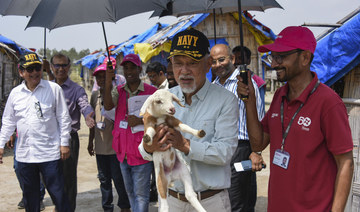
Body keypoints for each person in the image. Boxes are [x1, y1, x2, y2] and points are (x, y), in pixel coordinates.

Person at [238, 26, 354, 211]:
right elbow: (258, 144)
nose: (274, 64)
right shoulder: (278, 96)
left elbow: (345, 162)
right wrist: (249, 101)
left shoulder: (328, 103)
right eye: (272, 57)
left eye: (281, 57)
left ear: (305, 58)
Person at [139, 28, 239, 212]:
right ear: (171, 65)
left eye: (192, 63)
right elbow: (144, 150)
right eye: (178, 63)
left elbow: (225, 152)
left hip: (210, 202)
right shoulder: (163, 97)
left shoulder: (226, 100)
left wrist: (184, 144)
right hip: (171, 201)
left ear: (208, 64)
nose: (184, 71)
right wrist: (149, 147)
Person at [0, 52, 72, 212]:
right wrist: (1, 145)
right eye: (29, 69)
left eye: (37, 68)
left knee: (59, 196)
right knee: (30, 199)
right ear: (21, 72)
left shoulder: (53, 89)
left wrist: (64, 143)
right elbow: (8, 121)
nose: (34, 73)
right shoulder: (15, 94)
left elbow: (63, 118)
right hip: (25, 156)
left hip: (50, 154)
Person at [210, 44, 265, 212]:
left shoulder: (245, 83)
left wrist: (256, 152)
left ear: (232, 59)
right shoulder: (214, 87)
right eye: (213, 62)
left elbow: (260, 117)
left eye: (222, 60)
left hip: (241, 149)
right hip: (220, 150)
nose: (218, 65)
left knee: (239, 202)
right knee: (224, 199)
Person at [103, 53, 157, 212]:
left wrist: (141, 121)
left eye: (132, 67)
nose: (129, 71)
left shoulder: (151, 91)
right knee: (130, 193)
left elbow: (161, 118)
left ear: (140, 68)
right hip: (122, 151)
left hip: (141, 151)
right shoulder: (118, 91)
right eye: (125, 68)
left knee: (141, 195)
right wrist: (108, 80)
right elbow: (107, 106)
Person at [50, 53, 95, 211]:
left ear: (69, 67)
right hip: (48, 140)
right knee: (49, 177)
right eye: (57, 65)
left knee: (68, 179)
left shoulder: (76, 89)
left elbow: (84, 104)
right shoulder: (46, 88)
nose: (60, 69)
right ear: (51, 67)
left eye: (64, 65)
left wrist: (88, 115)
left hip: (69, 139)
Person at [88, 62, 131, 212]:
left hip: (115, 147)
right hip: (100, 146)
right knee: (104, 180)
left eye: (103, 77)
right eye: (98, 78)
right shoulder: (94, 95)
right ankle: (107, 207)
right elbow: (92, 120)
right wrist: (90, 141)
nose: (100, 80)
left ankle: (125, 206)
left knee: (118, 179)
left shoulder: (117, 93)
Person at [7, 133, 46, 211]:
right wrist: (9, 133)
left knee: (38, 167)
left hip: (39, 135)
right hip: (21, 136)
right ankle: (28, 193)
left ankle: (38, 197)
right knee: (18, 167)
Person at [232, 45, 266, 112]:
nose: (237, 61)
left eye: (240, 58)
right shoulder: (228, 80)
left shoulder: (258, 82)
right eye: (235, 58)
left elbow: (260, 107)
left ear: (248, 60)